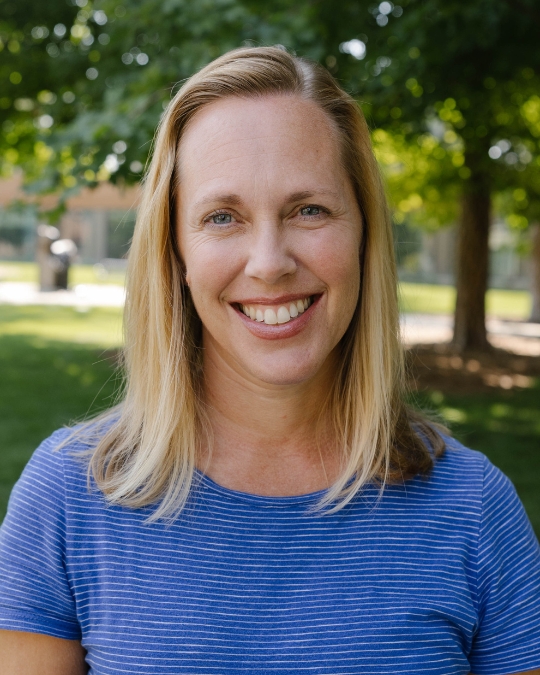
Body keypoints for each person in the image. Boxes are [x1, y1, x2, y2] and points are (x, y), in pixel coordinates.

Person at [0, 46, 539, 675]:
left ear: (364, 232)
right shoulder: (68, 498)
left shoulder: (472, 510)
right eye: (222, 217)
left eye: (309, 209)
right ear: (174, 253)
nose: (269, 262)